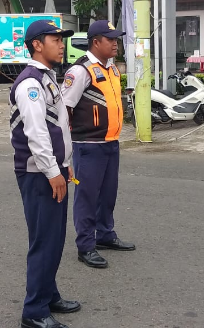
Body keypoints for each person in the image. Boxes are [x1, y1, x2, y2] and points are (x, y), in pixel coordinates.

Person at [10, 20, 80, 329]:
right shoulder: (30, 84)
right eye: (56, 39)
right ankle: (34, 311)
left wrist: (66, 164)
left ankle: (48, 295)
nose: (62, 43)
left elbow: (58, 126)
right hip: (39, 174)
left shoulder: (46, 77)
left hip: (54, 169)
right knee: (44, 241)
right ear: (37, 44)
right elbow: (36, 134)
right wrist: (53, 171)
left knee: (55, 238)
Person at [62, 20, 135, 270]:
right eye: (110, 39)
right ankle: (85, 245)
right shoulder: (80, 71)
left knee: (108, 194)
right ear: (96, 42)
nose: (115, 43)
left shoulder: (112, 69)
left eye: (116, 39)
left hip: (110, 142)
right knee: (87, 197)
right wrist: (65, 147)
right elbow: (65, 109)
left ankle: (105, 234)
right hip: (88, 145)